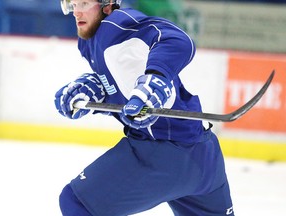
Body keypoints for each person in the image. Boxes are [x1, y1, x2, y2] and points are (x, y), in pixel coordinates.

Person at [54, 0, 234, 215]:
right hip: (204, 156)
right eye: (72, 5)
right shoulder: (89, 42)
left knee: (78, 202)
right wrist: (98, 90)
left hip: (162, 153)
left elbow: (179, 40)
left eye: (83, 3)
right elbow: (127, 85)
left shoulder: (117, 24)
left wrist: (156, 79)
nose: (77, 12)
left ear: (107, 4)